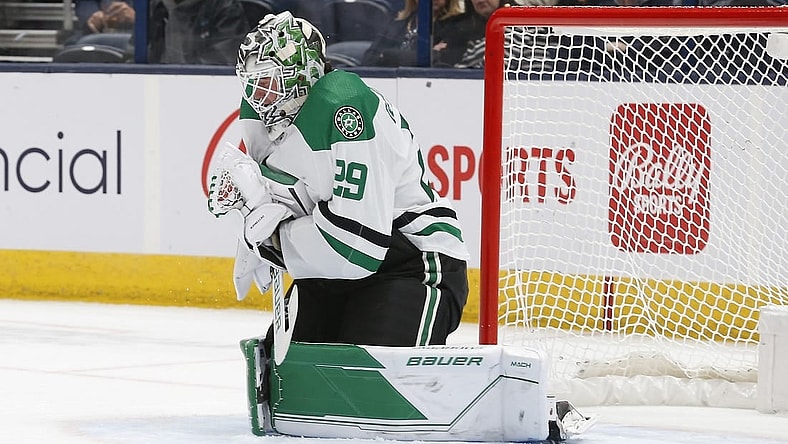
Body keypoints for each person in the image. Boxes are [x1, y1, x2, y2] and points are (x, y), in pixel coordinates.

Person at [208, 11, 470, 348]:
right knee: (287, 378)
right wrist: (253, 208)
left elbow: (357, 247)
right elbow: (299, 203)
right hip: (335, 268)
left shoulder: (344, 106)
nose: (261, 98)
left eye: (270, 82)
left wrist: (274, 241)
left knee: (365, 377)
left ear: (304, 74)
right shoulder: (262, 114)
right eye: (252, 84)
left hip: (414, 264)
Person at [361, 0, 466, 67]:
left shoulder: (456, 25)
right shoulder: (398, 21)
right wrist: (430, 53)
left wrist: (386, 55)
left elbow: (440, 61)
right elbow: (368, 59)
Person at [147, 0, 249, 65]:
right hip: (161, 85)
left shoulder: (224, 7)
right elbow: (136, 53)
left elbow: (225, 59)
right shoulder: (157, 7)